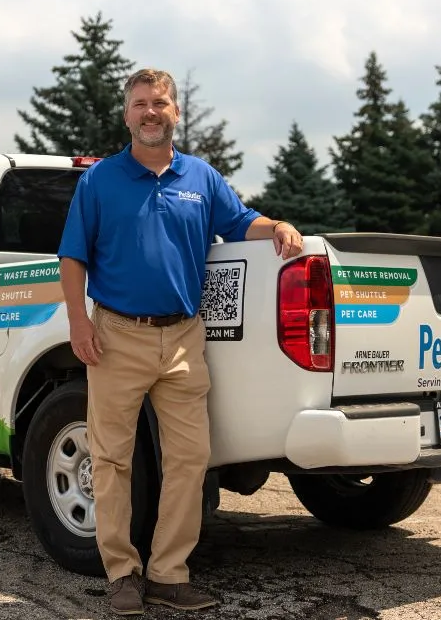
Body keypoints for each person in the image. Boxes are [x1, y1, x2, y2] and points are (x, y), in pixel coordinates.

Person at [57, 68, 303, 616]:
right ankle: (122, 572)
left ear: (175, 112)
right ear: (127, 115)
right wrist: (79, 322)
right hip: (117, 335)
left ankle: (169, 573)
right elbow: (72, 255)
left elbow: (239, 222)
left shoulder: (201, 176)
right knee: (112, 459)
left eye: (160, 103)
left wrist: (277, 225)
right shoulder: (100, 181)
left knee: (190, 459)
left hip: (185, 337)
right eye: (140, 103)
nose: (150, 111)